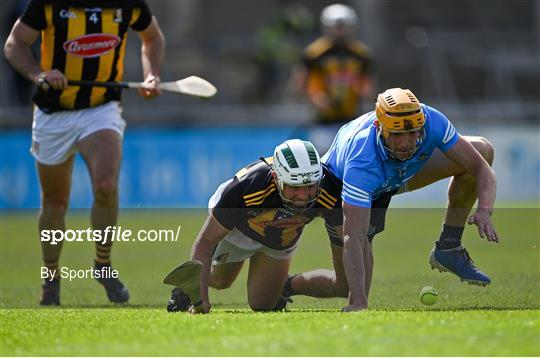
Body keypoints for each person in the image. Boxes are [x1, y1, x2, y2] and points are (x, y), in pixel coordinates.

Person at [278, 88, 498, 312]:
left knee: (483, 150)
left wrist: (485, 210)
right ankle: (285, 286)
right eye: (396, 135)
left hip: (395, 173)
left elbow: (481, 167)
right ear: (379, 128)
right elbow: (354, 236)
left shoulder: (432, 121)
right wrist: (358, 302)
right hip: (341, 184)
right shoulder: (361, 160)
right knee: (346, 285)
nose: (406, 143)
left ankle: (449, 247)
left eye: (413, 133)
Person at [3, 0, 165, 305]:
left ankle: (102, 265)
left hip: (101, 109)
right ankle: (51, 277)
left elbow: (153, 37)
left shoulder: (128, 4)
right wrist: (39, 74)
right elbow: (14, 45)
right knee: (54, 202)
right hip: (53, 113)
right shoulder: (48, 5)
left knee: (106, 187)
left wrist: (152, 74)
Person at [166, 139, 348, 313]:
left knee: (262, 304)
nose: (302, 196)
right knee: (222, 280)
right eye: (294, 187)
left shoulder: (328, 188)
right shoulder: (246, 189)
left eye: (309, 186)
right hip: (240, 230)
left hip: (281, 237)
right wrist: (201, 300)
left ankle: (283, 286)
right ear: (276, 178)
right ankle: (188, 285)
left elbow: (346, 238)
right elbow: (205, 242)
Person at [292, 4, 373, 151]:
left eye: (344, 26)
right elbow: (302, 81)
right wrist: (316, 99)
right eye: (336, 26)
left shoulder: (361, 54)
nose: (340, 31)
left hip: (352, 119)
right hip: (324, 122)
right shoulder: (314, 53)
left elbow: (367, 84)